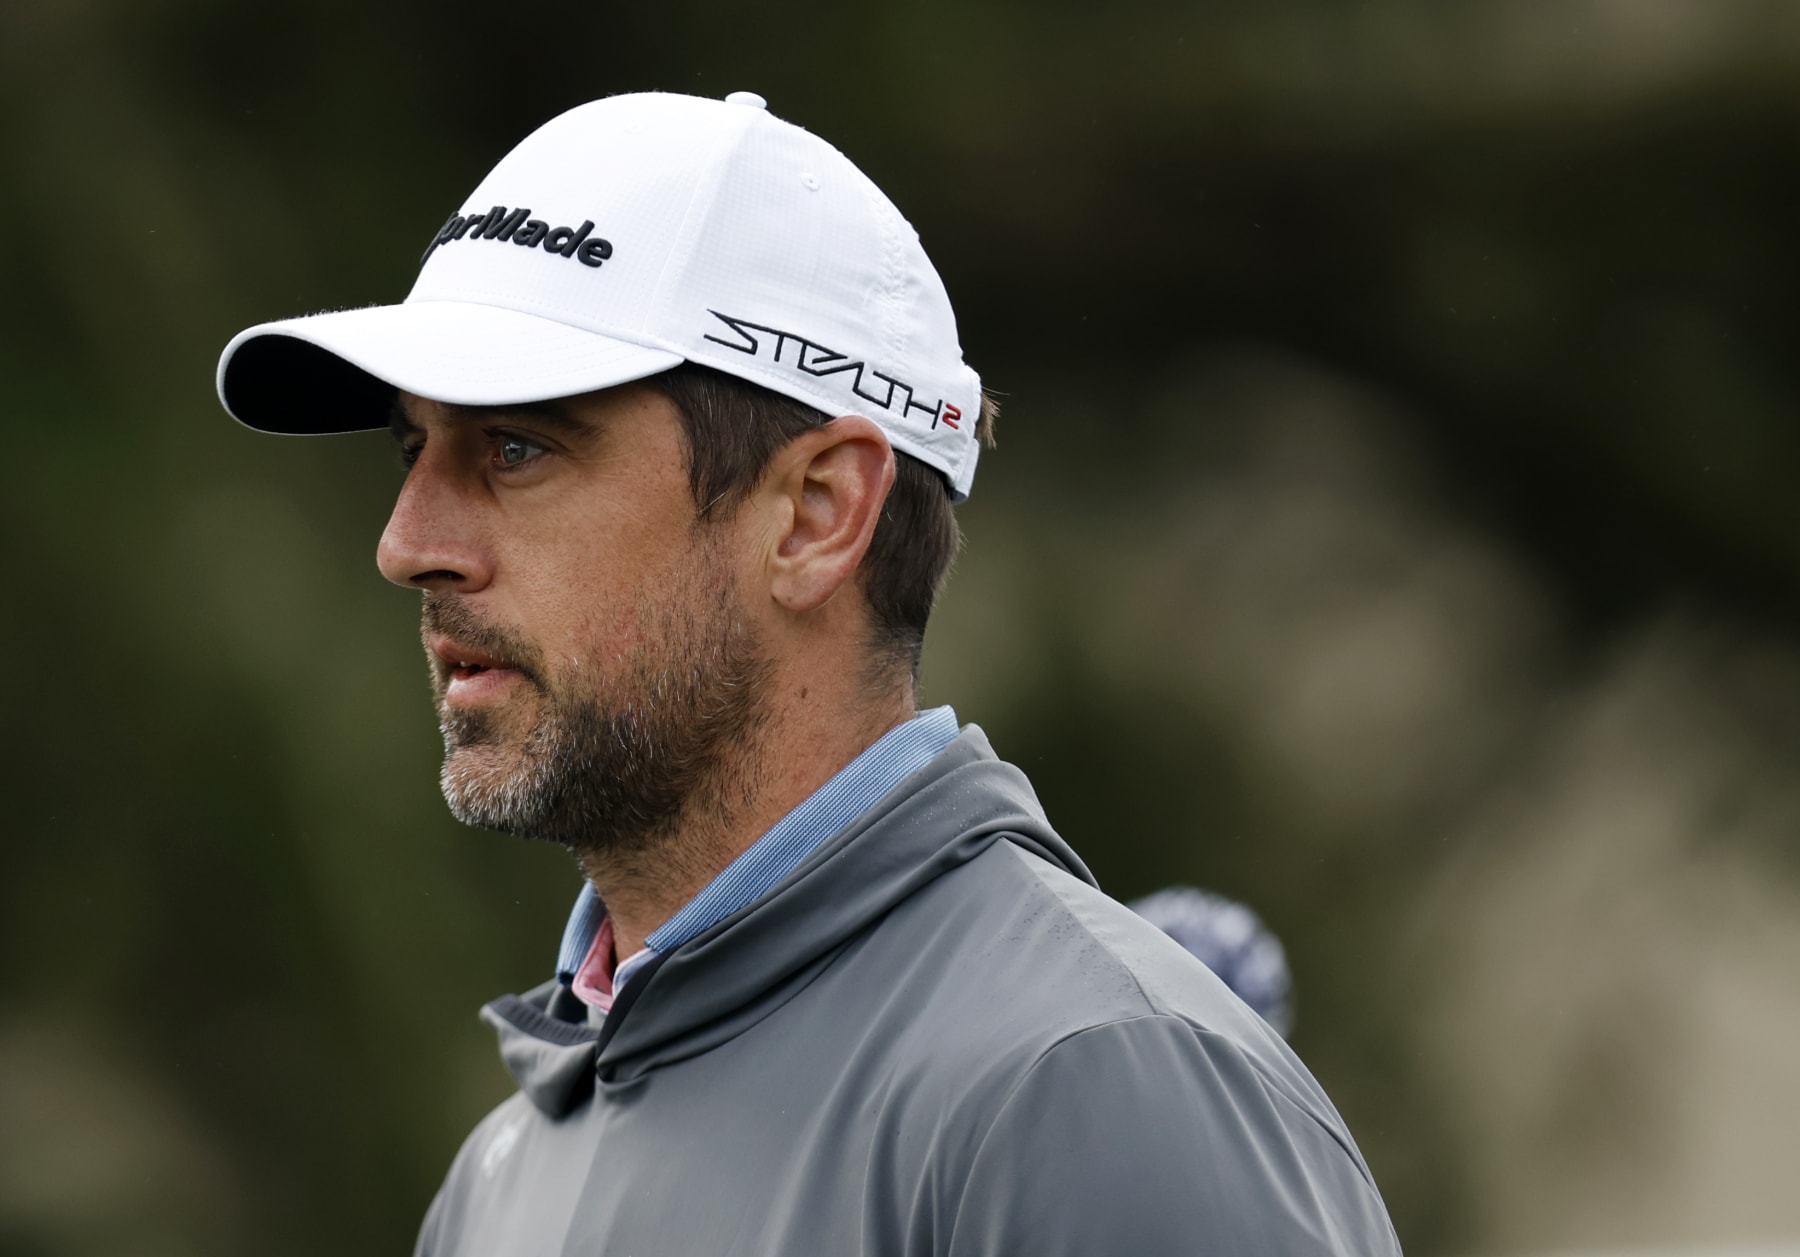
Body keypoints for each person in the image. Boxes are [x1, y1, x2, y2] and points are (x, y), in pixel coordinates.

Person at [215, 90, 1401, 1256]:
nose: (406, 544)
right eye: (415, 448)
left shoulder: (1094, 1090)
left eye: (517, 447)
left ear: (817, 514)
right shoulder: (493, 1190)